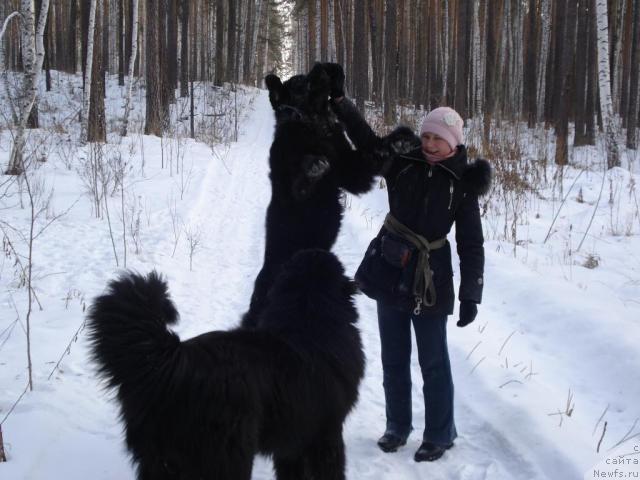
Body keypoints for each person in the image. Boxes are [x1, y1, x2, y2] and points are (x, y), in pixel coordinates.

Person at [327, 66, 491, 462]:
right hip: (389, 265)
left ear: (454, 143)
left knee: (433, 359)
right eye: (427, 136)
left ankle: (439, 433)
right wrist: (340, 104)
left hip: (431, 276)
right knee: (393, 355)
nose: (430, 144)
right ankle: (397, 426)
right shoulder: (403, 163)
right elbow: (367, 141)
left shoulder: (462, 185)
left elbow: (471, 244)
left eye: (439, 139)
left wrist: (472, 294)